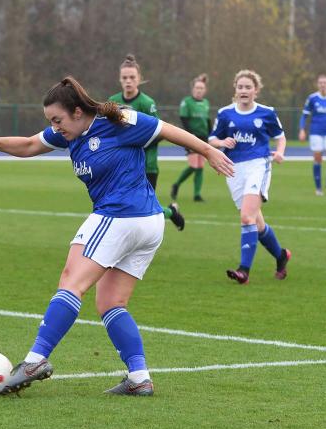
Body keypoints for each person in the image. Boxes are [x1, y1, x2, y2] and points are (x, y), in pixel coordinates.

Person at [0, 76, 233, 396]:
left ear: (77, 111)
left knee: (71, 282)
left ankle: (35, 361)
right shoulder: (70, 134)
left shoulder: (118, 120)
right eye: (51, 122)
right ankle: (139, 378)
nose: (55, 127)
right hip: (148, 223)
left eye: (57, 120)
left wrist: (208, 150)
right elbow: (30, 144)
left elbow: (167, 129)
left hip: (122, 215)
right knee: (111, 301)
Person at [208, 70, 291, 285]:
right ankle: (281, 256)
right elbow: (212, 139)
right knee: (257, 223)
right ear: (235, 89)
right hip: (233, 169)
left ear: (256, 90)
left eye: (248, 87)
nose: (244, 90)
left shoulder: (266, 112)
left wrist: (280, 152)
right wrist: (222, 143)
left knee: (247, 217)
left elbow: (280, 137)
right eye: (240, 87)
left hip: (258, 165)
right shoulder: (226, 113)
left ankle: (243, 270)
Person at [108, 54, 184, 230]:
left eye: (132, 77)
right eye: (125, 77)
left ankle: (170, 212)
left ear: (139, 79)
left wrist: (136, 143)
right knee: (125, 205)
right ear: (120, 79)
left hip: (146, 165)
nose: (128, 81)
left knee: (144, 208)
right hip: (121, 164)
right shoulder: (113, 101)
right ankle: (170, 212)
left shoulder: (147, 103)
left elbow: (159, 133)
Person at [170, 74, 211, 202]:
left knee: (200, 166)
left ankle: (197, 195)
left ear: (205, 90)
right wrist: (189, 135)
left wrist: (211, 135)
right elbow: (184, 119)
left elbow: (207, 121)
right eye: (197, 88)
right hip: (191, 136)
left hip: (204, 137)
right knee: (194, 165)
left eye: (201, 88)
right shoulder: (186, 102)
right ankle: (176, 184)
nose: (199, 90)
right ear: (193, 89)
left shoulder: (206, 103)